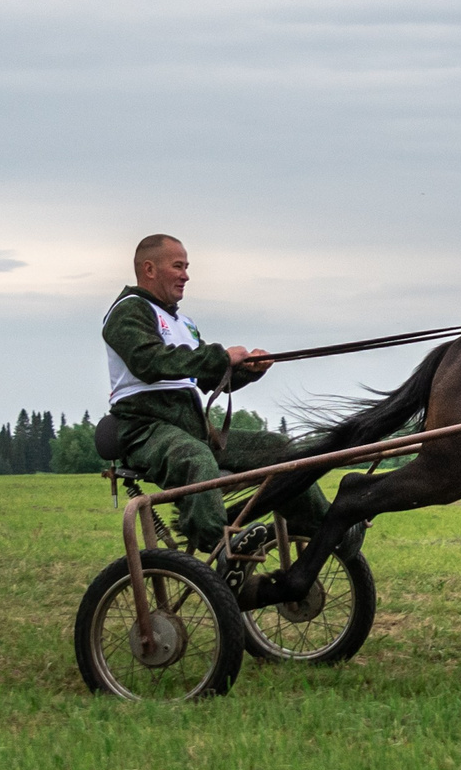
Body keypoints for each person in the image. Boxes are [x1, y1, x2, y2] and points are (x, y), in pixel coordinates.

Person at [102, 234, 321, 550]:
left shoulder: (182, 322)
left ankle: (324, 529)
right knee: (195, 457)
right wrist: (221, 357)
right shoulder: (129, 311)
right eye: (178, 266)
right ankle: (219, 546)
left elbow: (206, 377)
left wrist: (248, 370)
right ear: (149, 269)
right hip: (145, 430)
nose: (186, 275)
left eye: (187, 267)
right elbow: (148, 361)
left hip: (192, 430)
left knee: (280, 448)